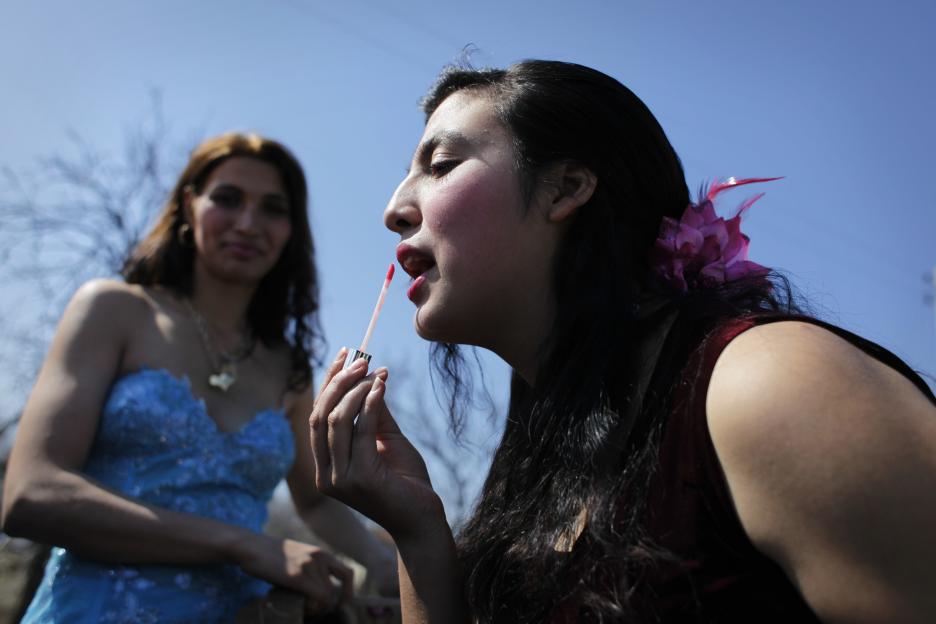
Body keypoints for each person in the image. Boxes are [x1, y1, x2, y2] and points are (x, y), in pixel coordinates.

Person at [309, 60, 936, 623]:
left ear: (566, 189)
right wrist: (419, 533)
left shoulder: (774, 386)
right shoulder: (546, 436)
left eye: (441, 166)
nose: (394, 207)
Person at [2, 133, 397, 623]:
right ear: (189, 206)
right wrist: (239, 544)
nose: (248, 224)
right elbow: (31, 494)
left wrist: (386, 563)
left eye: (273, 208)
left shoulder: (289, 369)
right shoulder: (114, 310)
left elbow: (315, 504)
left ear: (291, 231)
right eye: (228, 199)